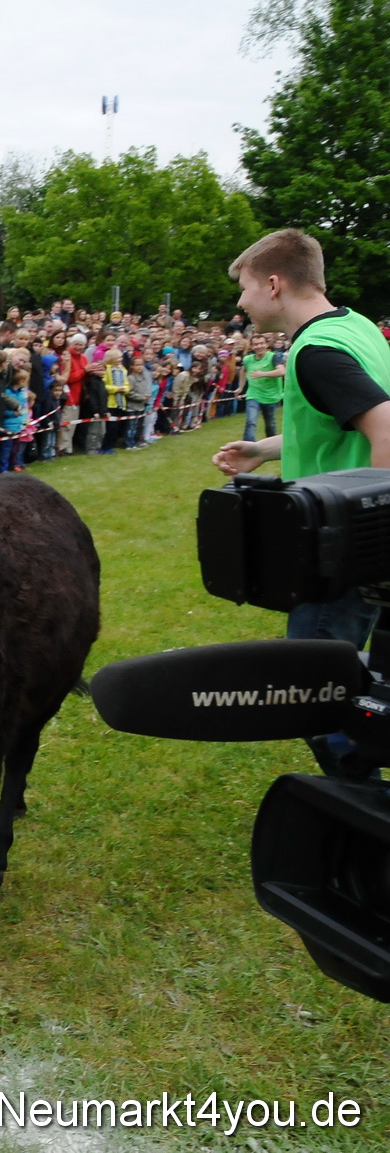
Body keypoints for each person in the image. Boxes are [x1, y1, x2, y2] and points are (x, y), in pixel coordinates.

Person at [213, 228, 390, 775]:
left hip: (340, 554)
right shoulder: (355, 327)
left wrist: (374, 539)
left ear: (273, 283)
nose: (240, 304)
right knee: (365, 681)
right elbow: (350, 420)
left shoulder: (316, 351)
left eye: (243, 288)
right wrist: (264, 450)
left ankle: (360, 815)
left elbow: (386, 427)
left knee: (315, 695)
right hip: (351, 544)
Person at [242, 331, 284, 442]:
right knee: (251, 421)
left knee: (270, 423)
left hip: (270, 396)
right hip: (253, 394)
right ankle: (248, 446)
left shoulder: (274, 357)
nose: (259, 346)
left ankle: (271, 445)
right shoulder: (247, 360)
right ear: (252, 346)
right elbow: (243, 371)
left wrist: (263, 374)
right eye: (256, 344)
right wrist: (240, 388)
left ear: (266, 345)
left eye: (261, 343)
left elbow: (281, 371)